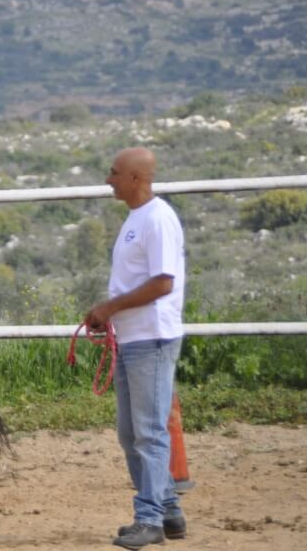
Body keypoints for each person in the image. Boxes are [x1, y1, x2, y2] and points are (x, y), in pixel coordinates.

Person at [84, 147, 187, 550]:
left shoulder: (157, 219)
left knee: (147, 433)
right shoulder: (137, 218)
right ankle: (168, 510)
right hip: (134, 337)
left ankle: (150, 520)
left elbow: (163, 282)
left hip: (151, 337)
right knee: (133, 434)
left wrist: (110, 307)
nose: (108, 179)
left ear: (135, 178)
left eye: (114, 173)